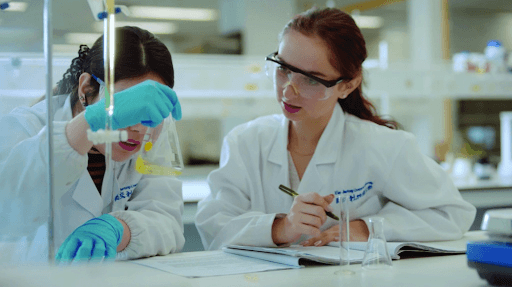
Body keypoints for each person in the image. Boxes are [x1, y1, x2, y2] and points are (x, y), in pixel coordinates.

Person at [195, 8, 476, 251]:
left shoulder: (384, 145)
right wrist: (282, 227)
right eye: (283, 69)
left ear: (347, 85)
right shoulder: (246, 142)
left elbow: (452, 213)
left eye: (312, 81)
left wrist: (367, 228)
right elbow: (213, 225)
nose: (288, 91)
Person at [0, 26, 184, 262]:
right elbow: (7, 212)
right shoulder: (25, 127)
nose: (138, 127)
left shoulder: (149, 135)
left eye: (146, 107)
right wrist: (86, 126)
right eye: (126, 105)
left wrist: (120, 230)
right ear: (86, 89)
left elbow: (167, 223)